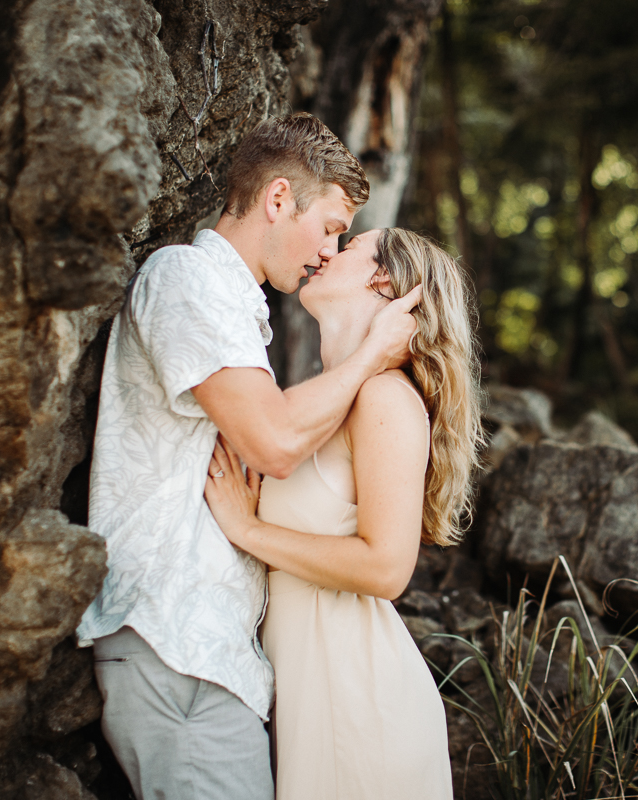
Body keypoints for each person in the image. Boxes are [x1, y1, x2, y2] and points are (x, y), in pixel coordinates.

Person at [75, 114, 421, 800]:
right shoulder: (186, 279)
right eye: (327, 227)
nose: (329, 250)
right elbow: (276, 443)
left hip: (209, 661)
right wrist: (374, 356)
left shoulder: (237, 313)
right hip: (177, 644)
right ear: (277, 199)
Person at [203, 227, 483, 800]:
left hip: (358, 704)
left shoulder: (384, 398)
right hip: (314, 695)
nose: (327, 251)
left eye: (348, 243)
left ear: (382, 277)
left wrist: (248, 529)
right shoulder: (332, 397)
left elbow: (386, 569)